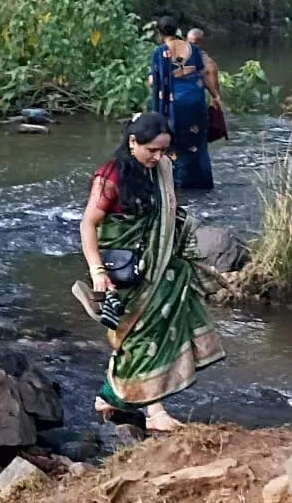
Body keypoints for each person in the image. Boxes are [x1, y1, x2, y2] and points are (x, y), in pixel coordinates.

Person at [76, 112, 224, 432]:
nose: (157, 158)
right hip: (122, 268)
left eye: (163, 151)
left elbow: (168, 213)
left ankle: (110, 397)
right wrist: (97, 270)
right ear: (132, 142)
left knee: (145, 334)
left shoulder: (161, 169)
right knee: (139, 334)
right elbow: (88, 224)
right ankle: (154, 412)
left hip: (159, 267)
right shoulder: (110, 177)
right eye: (151, 150)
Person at [150, 16, 213, 190]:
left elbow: (154, 80)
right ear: (177, 30)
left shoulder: (159, 52)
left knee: (174, 143)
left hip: (172, 106)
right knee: (198, 143)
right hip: (195, 103)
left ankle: (178, 183)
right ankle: (201, 182)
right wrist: (216, 97)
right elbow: (203, 73)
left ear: (159, 32)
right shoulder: (193, 49)